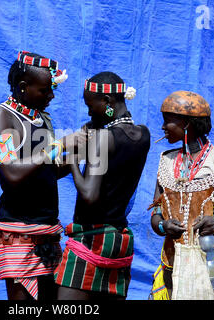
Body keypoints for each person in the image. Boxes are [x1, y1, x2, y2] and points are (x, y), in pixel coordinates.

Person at [0, 51, 84, 301]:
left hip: (47, 230)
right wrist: (59, 146)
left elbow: (45, 171)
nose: (51, 96)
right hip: (18, 230)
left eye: (52, 90)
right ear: (22, 87)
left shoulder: (41, 118)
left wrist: (80, 153)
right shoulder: (1, 118)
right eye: (44, 90)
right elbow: (10, 173)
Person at [54, 72, 150, 300]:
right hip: (120, 241)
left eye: (90, 105)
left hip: (91, 240)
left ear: (107, 102)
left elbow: (89, 194)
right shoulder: (143, 134)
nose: (88, 112)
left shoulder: (103, 138)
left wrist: (74, 159)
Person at [148, 90, 214, 300]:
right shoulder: (166, 161)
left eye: (168, 121)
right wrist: (163, 226)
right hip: (172, 263)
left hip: (213, 263)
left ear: (186, 124)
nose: (163, 127)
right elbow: (156, 213)